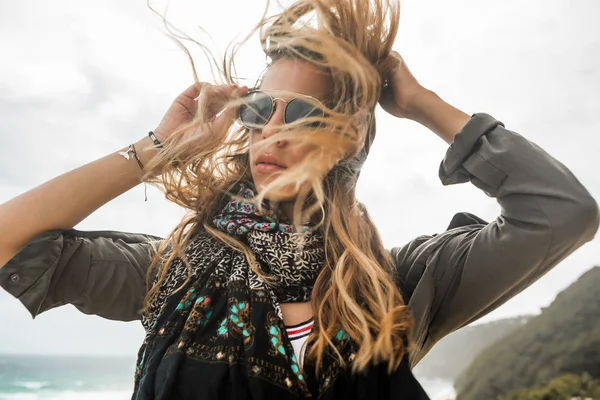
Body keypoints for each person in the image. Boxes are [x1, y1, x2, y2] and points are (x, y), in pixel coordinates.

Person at [0, 0, 598, 399]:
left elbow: (562, 211)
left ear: (349, 140)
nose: (272, 131)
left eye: (304, 113)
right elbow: (9, 241)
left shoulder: (399, 284)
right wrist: (158, 149)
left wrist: (422, 102)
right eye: (261, 110)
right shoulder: (169, 273)